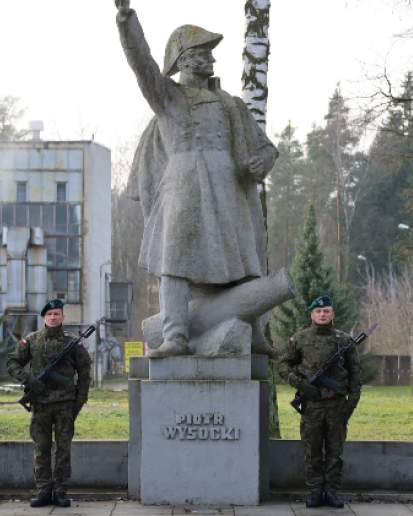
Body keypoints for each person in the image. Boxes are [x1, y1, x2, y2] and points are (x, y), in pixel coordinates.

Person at [115, 0, 279, 357]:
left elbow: (268, 149)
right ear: (183, 57)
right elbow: (141, 65)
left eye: (210, 52)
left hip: (229, 188)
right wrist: (126, 19)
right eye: (202, 51)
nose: (211, 58)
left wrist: (260, 163)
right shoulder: (168, 97)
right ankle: (175, 337)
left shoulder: (232, 105)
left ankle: (254, 333)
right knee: (174, 261)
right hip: (183, 187)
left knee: (244, 261)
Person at [6, 299, 92, 508]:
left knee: (63, 449)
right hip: (40, 405)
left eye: (56, 314)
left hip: (65, 405)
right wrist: (29, 380)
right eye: (49, 314)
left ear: (63, 317)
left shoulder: (73, 342)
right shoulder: (32, 340)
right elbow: (12, 362)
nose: (53, 317)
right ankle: (44, 490)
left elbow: (84, 373)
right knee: (41, 448)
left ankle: (60, 490)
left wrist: (79, 401)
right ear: (43, 317)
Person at [278, 296, 362, 508]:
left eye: (326, 311)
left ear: (332, 314)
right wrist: (300, 384)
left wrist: (349, 406)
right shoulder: (300, 339)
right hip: (312, 406)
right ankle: (316, 491)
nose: (322, 315)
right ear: (312, 315)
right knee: (312, 450)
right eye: (318, 311)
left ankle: (331, 490)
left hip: (336, 405)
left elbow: (355, 375)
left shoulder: (343, 341)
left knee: (335, 451)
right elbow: (283, 366)